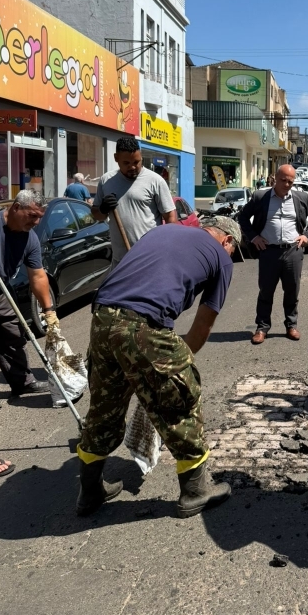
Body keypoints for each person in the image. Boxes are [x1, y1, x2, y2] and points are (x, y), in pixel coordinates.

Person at [75, 215, 242, 519]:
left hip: (101, 319)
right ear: (227, 240)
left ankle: (89, 492)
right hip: (142, 325)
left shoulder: (163, 231)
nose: (232, 255)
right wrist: (173, 368)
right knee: (183, 401)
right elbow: (203, 324)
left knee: (103, 408)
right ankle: (195, 491)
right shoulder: (221, 258)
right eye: (234, 249)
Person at [239, 164, 308, 344]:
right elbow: (243, 217)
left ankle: (291, 326)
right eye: (283, 180)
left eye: (290, 181)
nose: (286, 184)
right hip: (268, 252)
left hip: (293, 251)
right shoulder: (261, 197)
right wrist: (253, 237)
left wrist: (307, 236)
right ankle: (262, 328)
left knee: (292, 291)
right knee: (266, 291)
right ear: (275, 178)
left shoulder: (302, 198)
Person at [0, 191, 58, 415]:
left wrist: (48, 310)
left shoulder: (29, 238)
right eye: (32, 215)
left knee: (12, 332)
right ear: (16, 208)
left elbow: (38, 276)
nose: (36, 222)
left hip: (0, 291)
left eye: (39, 216)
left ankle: (21, 381)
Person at [92, 137, 177, 268]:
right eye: (126, 163)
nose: (132, 167)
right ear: (116, 158)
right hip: (120, 261)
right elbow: (97, 215)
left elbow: (170, 217)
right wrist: (103, 208)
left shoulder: (155, 181)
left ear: (141, 157)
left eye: (136, 162)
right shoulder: (106, 181)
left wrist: (168, 247)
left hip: (149, 259)